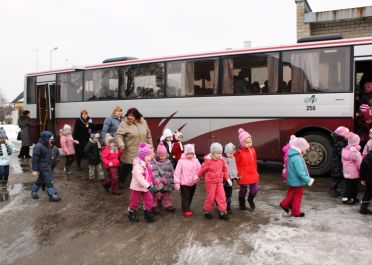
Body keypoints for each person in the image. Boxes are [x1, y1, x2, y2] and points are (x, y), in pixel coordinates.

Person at [116, 108, 153, 187]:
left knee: (141, 167)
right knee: (127, 167)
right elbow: (119, 135)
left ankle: (140, 182)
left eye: (132, 115)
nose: (130, 117)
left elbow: (148, 134)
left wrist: (151, 145)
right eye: (128, 115)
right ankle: (119, 182)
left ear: (136, 115)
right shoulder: (124, 123)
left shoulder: (144, 122)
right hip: (130, 150)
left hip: (142, 151)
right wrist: (121, 145)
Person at [279, 136, 314, 217]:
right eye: (305, 149)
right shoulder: (297, 158)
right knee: (298, 196)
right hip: (297, 181)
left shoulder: (292, 155)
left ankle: (284, 204)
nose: (306, 151)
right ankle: (295, 212)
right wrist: (308, 180)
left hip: (292, 180)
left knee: (291, 193)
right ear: (300, 148)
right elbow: (300, 172)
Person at [197, 142, 231, 220]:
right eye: (217, 153)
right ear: (212, 153)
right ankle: (207, 210)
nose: (220, 155)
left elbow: (225, 170)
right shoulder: (208, 161)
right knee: (211, 197)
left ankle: (222, 212)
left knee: (222, 196)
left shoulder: (222, 160)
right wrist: (197, 176)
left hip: (219, 181)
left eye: (220, 153)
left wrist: (228, 178)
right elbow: (202, 169)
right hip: (210, 182)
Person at [128, 142, 156, 223]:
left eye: (150, 155)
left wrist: (152, 182)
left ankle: (148, 212)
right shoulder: (138, 166)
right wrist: (149, 186)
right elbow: (140, 178)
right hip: (137, 186)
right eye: (148, 156)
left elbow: (150, 174)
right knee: (134, 200)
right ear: (143, 157)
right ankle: (132, 212)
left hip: (147, 186)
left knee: (149, 199)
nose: (150, 157)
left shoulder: (148, 164)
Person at [31, 131, 61, 202]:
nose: (52, 140)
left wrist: (52, 158)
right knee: (49, 180)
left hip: (48, 166)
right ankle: (51, 195)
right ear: (46, 138)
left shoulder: (48, 145)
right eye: (51, 139)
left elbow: (48, 154)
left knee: (40, 180)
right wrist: (34, 170)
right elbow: (35, 159)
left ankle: (34, 191)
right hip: (43, 167)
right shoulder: (38, 147)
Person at [173, 144, 201, 217]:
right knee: (185, 196)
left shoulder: (196, 160)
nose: (190, 155)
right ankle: (185, 210)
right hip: (184, 183)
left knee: (190, 195)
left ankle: (187, 207)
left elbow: (200, 169)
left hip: (193, 182)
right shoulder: (181, 161)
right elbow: (177, 172)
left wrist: (197, 175)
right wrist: (177, 182)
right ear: (185, 153)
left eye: (192, 154)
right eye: (188, 154)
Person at [235, 128, 259, 211]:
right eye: (246, 142)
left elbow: (255, 162)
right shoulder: (239, 152)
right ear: (242, 143)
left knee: (255, 189)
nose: (249, 144)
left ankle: (250, 199)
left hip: (253, 172)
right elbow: (236, 164)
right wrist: (237, 173)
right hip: (243, 173)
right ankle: (241, 202)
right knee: (243, 189)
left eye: (250, 142)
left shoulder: (253, 150)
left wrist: (256, 171)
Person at [151, 142, 176, 213]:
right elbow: (155, 171)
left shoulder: (168, 161)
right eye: (161, 156)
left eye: (164, 155)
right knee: (157, 194)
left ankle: (167, 205)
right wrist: (159, 179)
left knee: (167, 194)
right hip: (160, 181)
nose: (163, 157)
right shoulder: (156, 162)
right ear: (158, 155)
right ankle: (154, 205)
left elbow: (172, 169)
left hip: (168, 181)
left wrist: (174, 176)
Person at [341, 132, 362, 205]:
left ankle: (352, 198)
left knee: (349, 185)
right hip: (353, 173)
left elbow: (342, 161)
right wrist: (361, 171)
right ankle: (347, 198)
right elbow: (359, 163)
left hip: (346, 172)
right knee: (353, 187)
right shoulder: (355, 152)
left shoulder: (345, 150)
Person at [329, 126, 350, 198]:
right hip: (338, 163)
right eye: (346, 134)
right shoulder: (340, 143)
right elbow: (341, 153)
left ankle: (334, 190)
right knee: (337, 178)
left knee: (338, 177)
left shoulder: (340, 141)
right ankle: (333, 191)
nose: (348, 135)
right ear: (342, 135)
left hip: (337, 162)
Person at [223, 143, 238, 214]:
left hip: (230, 179)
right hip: (223, 180)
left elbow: (234, 168)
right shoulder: (223, 159)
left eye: (233, 153)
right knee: (222, 193)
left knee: (229, 193)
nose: (232, 155)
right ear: (225, 152)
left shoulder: (233, 158)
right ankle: (221, 206)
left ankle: (228, 207)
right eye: (230, 153)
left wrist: (235, 176)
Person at [359, 148, 372, 214]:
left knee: (368, 193)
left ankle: (363, 208)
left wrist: (362, 178)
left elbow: (362, 168)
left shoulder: (368, 155)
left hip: (369, 179)